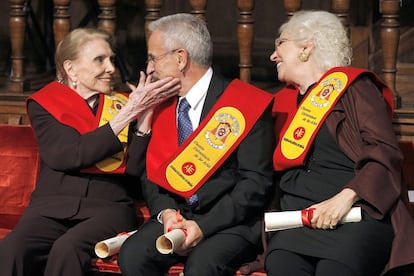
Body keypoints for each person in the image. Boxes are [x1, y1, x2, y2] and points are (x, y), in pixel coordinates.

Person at [0, 27, 180, 276]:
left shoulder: (125, 102)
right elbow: (68, 155)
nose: (111, 68)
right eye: (100, 60)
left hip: (107, 208)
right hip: (51, 207)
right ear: (71, 68)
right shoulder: (46, 104)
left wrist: (145, 115)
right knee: (11, 250)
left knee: (67, 249)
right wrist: (128, 113)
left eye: (111, 60)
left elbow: (136, 169)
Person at [118, 13, 275, 276]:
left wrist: (204, 226)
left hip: (230, 221)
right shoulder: (162, 105)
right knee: (133, 255)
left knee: (202, 266)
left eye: (154, 58)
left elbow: (255, 183)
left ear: (180, 58)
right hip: (176, 217)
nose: (150, 68)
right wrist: (166, 213)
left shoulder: (245, 103)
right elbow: (151, 174)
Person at [265, 10, 414, 276]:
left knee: (335, 269)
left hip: (355, 214)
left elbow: (384, 151)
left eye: (280, 43)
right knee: (282, 265)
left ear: (306, 47)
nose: (273, 56)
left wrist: (346, 197)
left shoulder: (354, 89)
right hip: (297, 219)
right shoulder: (279, 104)